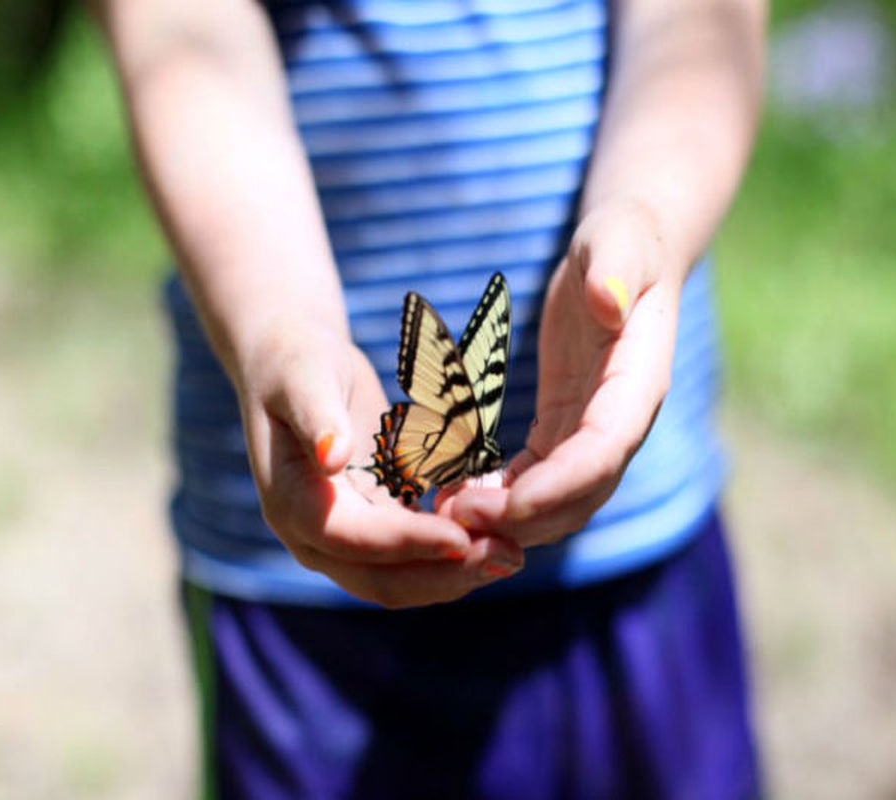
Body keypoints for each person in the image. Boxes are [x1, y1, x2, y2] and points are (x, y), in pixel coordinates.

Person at [93, 0, 767, 796]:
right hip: (302, 581)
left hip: (634, 541)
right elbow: (182, 31)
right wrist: (278, 324)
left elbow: (701, 20)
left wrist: (648, 219)